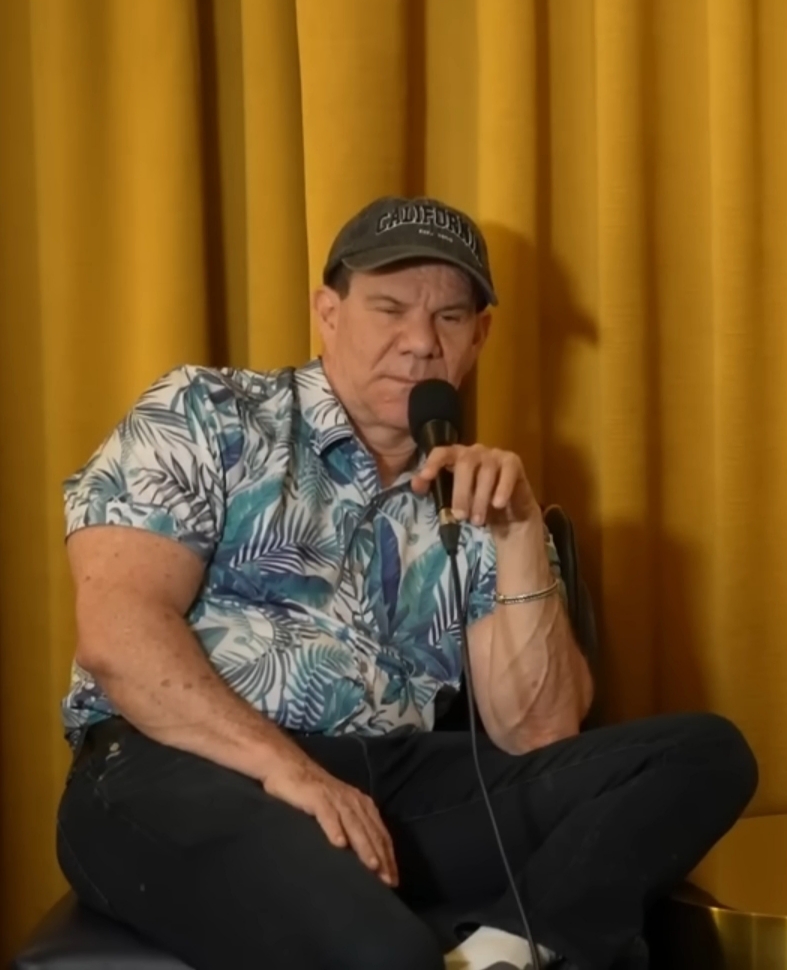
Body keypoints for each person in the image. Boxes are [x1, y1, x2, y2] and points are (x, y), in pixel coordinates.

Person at [56, 196, 757, 970]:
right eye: (389, 308)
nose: (421, 343)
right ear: (328, 313)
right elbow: (119, 635)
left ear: (477, 337)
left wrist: (519, 534)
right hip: (181, 765)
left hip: (389, 779)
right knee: (385, 955)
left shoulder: (478, 494)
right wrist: (292, 772)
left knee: (703, 754)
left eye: (449, 318)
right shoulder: (207, 412)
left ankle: (508, 951)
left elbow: (538, 734)